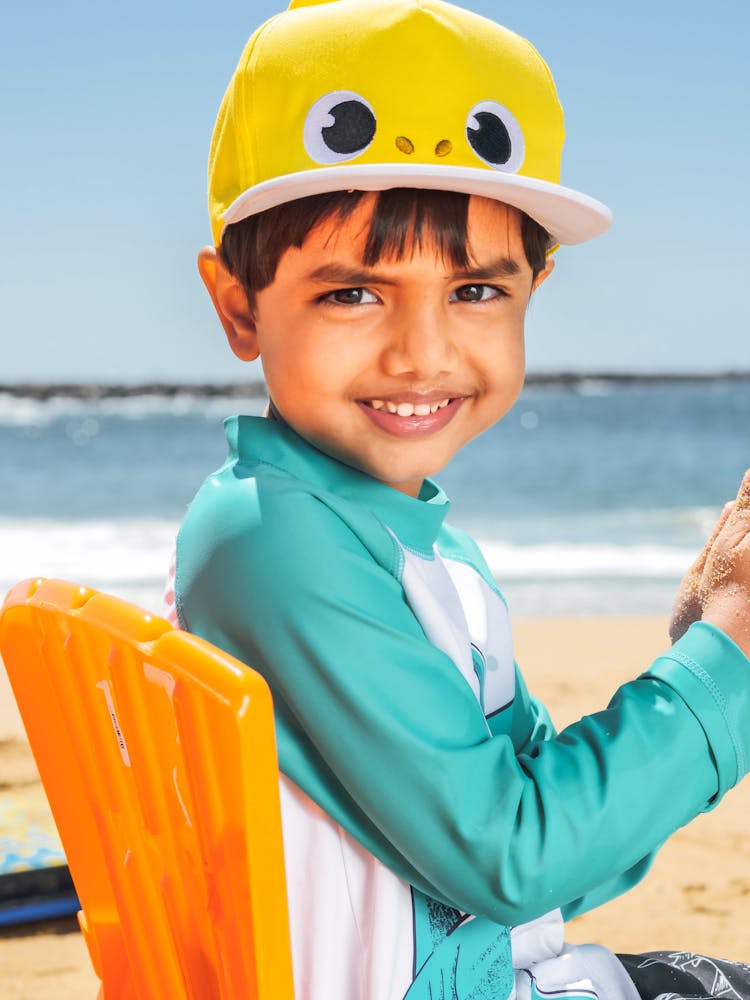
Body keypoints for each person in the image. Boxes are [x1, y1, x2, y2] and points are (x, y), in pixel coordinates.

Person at [169, 1, 750, 996]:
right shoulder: (272, 539)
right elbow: (510, 858)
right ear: (238, 307)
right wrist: (731, 652)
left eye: (476, 290)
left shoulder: (404, 543)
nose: (422, 350)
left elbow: (552, 852)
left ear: (536, 286)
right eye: (352, 291)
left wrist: (707, 640)